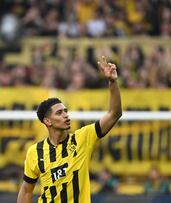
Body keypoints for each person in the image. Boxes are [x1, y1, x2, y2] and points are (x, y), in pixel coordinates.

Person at [17, 56, 122, 203]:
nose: (66, 115)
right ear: (47, 121)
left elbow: (114, 114)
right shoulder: (35, 152)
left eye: (65, 111)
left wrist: (112, 82)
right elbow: (26, 190)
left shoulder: (83, 138)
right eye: (59, 113)